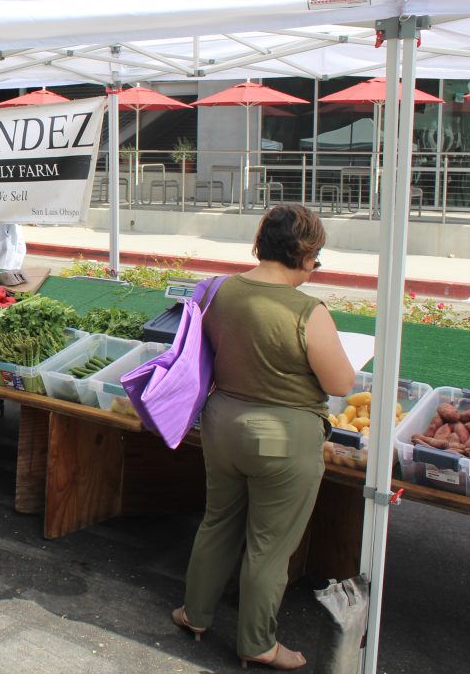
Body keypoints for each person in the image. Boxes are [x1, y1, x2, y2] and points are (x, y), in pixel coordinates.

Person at [173, 204, 355, 671]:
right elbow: (339, 384)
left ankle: (195, 614)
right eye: (317, 256)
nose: (317, 265)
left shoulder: (220, 290)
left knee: (218, 522)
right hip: (283, 438)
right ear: (305, 251)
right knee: (269, 546)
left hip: (221, 424)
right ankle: (257, 643)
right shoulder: (308, 312)